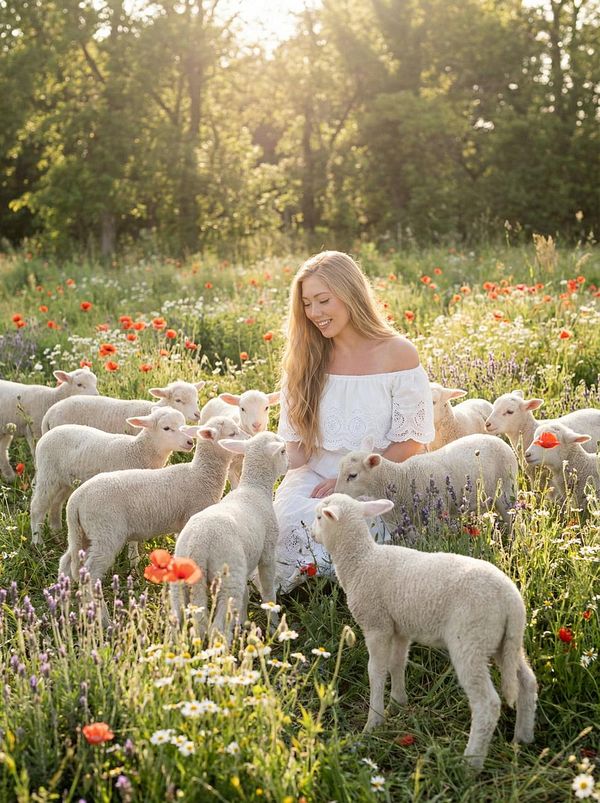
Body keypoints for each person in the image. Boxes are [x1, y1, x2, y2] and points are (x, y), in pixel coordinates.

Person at [274, 250, 435, 592]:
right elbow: (298, 454)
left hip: (377, 478)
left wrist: (347, 483)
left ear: (350, 294)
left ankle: (336, 579)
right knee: (287, 520)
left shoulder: (398, 352)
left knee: (365, 527)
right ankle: (310, 580)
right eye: (306, 303)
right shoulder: (305, 357)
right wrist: (255, 463)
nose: (314, 313)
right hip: (314, 479)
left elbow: (411, 441)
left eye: (323, 300)